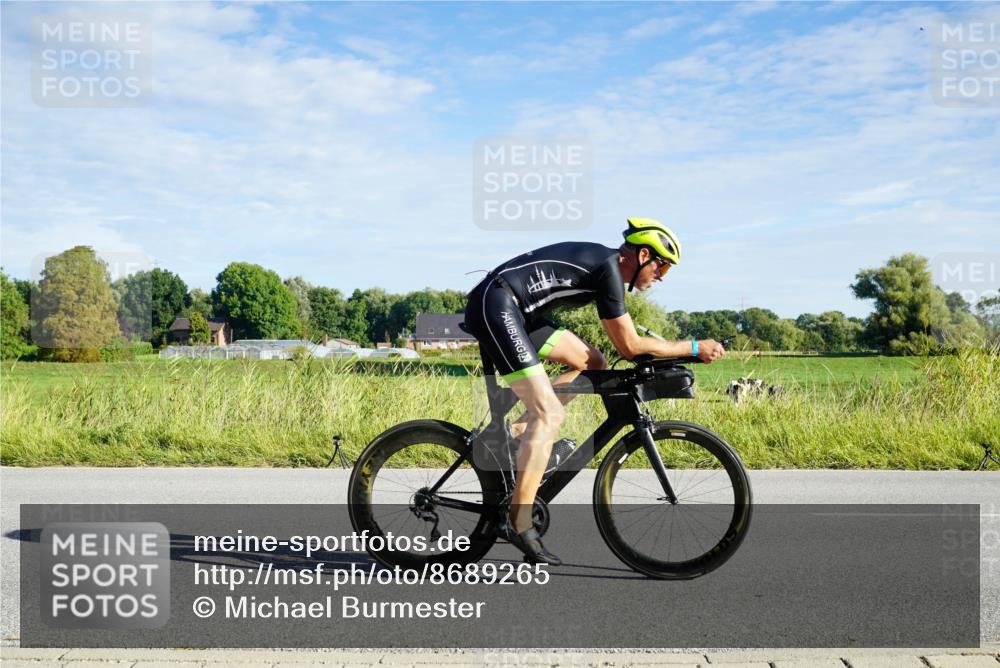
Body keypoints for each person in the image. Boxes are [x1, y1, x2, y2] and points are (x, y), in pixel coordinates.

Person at [462, 218, 727, 565]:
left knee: (593, 362)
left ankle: (513, 434)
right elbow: (630, 346)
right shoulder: (609, 270)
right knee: (549, 414)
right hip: (497, 305)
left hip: (519, 311)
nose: (662, 277)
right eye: (662, 266)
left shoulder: (607, 268)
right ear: (643, 255)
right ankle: (518, 520)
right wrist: (693, 347)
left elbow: (623, 347)